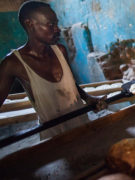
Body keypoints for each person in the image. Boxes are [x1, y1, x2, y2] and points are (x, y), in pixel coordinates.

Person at [0, 1, 107, 140]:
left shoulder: (60, 50)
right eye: (50, 25)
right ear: (29, 24)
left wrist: (87, 98)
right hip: (53, 138)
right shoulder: (13, 63)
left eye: (56, 23)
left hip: (82, 125)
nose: (57, 29)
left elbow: (70, 85)